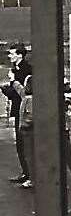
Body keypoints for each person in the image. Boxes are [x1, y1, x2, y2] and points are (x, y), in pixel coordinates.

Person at [4, 43, 32, 185]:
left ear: (20, 55)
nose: (9, 56)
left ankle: (30, 174)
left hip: (25, 111)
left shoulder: (26, 70)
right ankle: (26, 173)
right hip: (18, 109)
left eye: (12, 53)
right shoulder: (16, 69)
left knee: (25, 143)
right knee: (20, 144)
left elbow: (23, 92)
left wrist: (11, 84)